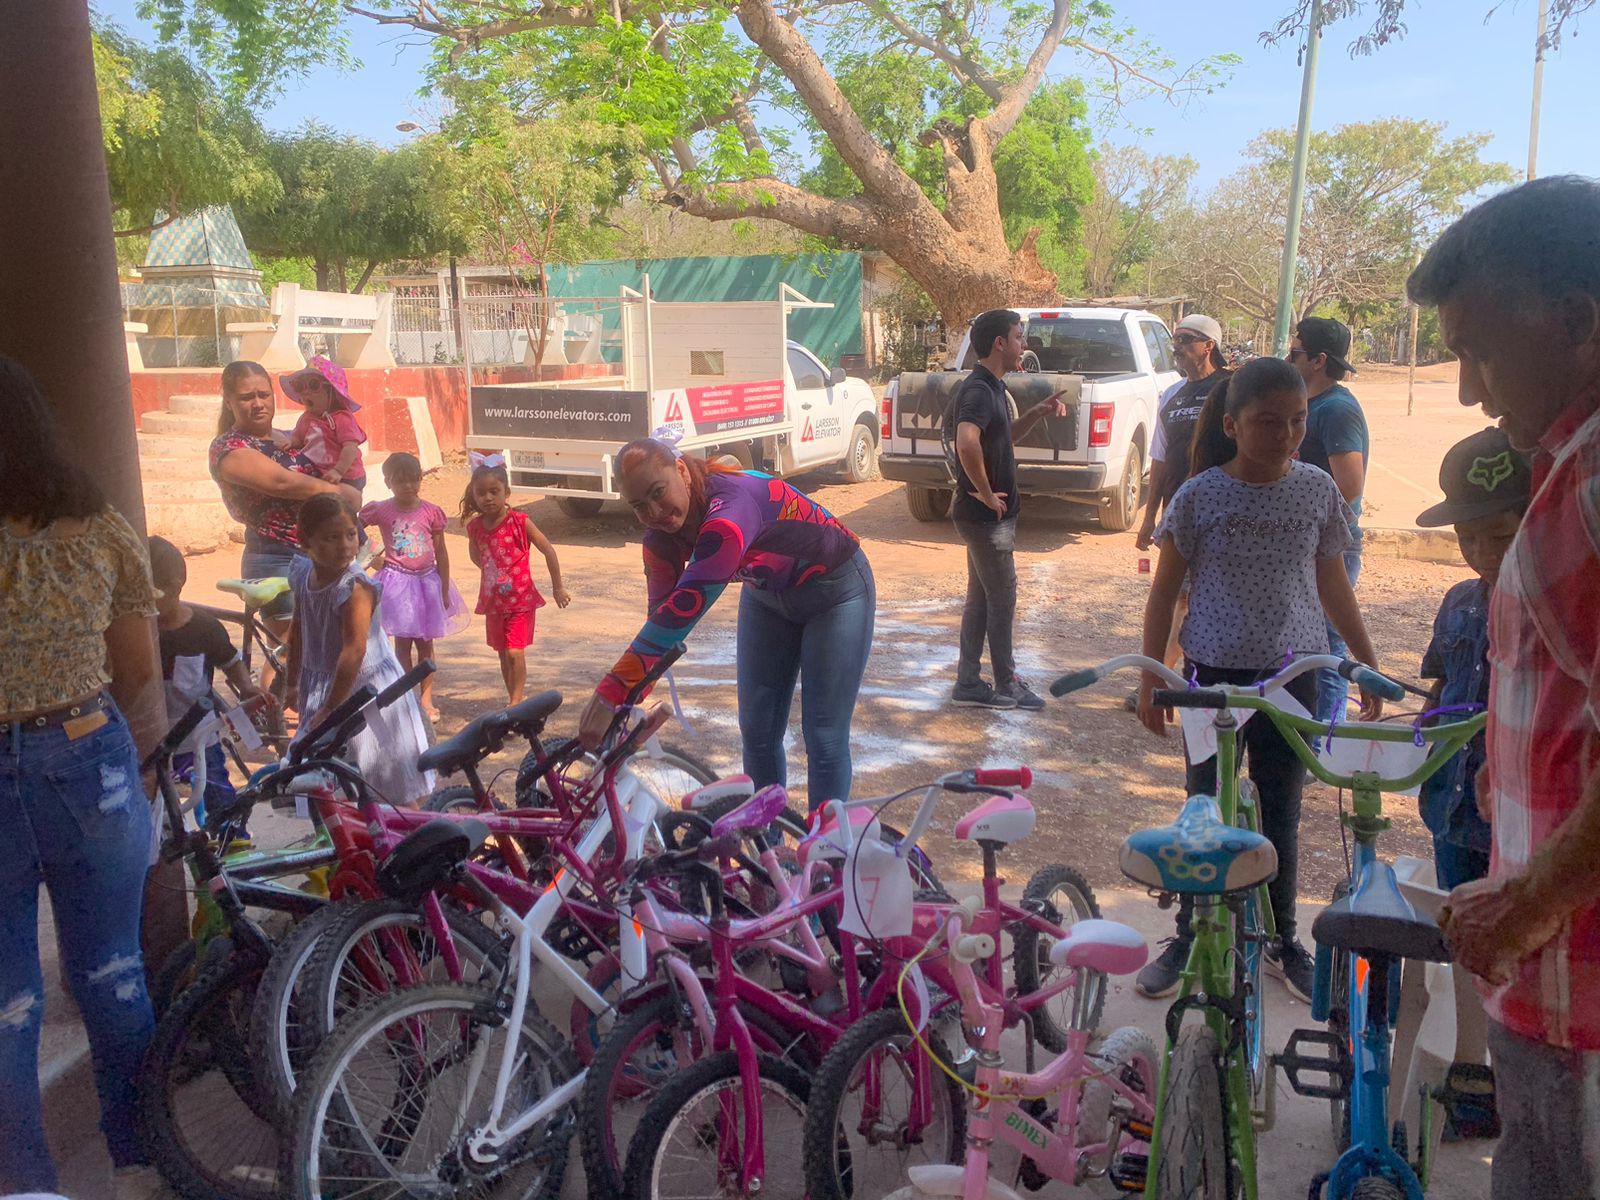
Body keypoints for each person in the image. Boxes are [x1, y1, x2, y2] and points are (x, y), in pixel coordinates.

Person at [1413, 176, 1600, 1200]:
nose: (1470, 392)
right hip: (1555, 982)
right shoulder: (1567, 467)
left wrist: (1525, 904)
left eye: (1479, 351)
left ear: (1574, 321)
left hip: (1580, 993)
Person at [1134, 356, 1387, 1002]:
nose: (1287, 436)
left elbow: (1333, 582)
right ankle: (1192, 933)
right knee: (1204, 809)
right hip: (1211, 678)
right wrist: (1151, 677)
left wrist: (1365, 661)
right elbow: (1163, 595)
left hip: (1292, 675)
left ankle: (1284, 940)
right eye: (1268, 422)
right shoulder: (1199, 496)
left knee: (1282, 810)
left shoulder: (1316, 491)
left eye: (1298, 421)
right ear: (1232, 424)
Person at [0, 357, 162, 1195]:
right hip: (88, 754)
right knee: (113, 975)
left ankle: (26, 1186)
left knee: (7, 1006)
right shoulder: (99, 526)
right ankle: (142, 1166)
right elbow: (138, 670)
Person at [575, 434, 873, 809]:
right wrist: (626, 708)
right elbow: (660, 627)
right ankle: (767, 850)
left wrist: (610, 693)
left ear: (681, 470)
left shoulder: (730, 511)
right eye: (639, 505)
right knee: (758, 733)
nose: (654, 512)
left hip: (836, 591)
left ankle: (826, 858)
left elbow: (682, 612)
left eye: (657, 492)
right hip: (767, 598)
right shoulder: (660, 539)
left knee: (824, 736)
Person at [1414, 430, 1530, 891]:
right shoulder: (1458, 601)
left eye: (1502, 536)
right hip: (1450, 808)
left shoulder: (1553, 616)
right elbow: (1440, 687)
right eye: (1468, 538)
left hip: (1515, 818)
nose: (1484, 554)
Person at [948, 309, 1069, 711]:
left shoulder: (994, 387)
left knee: (981, 599)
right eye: (1019, 337)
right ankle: (1005, 685)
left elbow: (1000, 439)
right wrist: (984, 492)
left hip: (983, 517)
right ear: (1000, 343)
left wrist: (1037, 412)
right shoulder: (980, 390)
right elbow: (967, 442)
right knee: (1002, 598)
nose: (1024, 345)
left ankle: (968, 682)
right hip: (984, 518)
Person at [286, 494, 435, 805]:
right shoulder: (302, 576)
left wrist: (330, 710)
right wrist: (291, 681)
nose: (345, 545)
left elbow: (354, 651)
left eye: (351, 534)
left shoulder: (354, 588)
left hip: (365, 692)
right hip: (325, 686)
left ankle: (415, 841)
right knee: (331, 782)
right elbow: (298, 630)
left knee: (389, 781)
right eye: (331, 537)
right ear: (305, 541)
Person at [208, 359, 352, 645]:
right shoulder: (229, 447)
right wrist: (340, 494)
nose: (258, 403)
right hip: (276, 556)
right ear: (229, 402)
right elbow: (282, 483)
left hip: (322, 552)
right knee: (289, 653)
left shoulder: (289, 438)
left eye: (264, 394)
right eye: (247, 397)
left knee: (332, 646)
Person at [148, 535, 273, 840]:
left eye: (149, 594)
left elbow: (230, 661)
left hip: (198, 739)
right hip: (150, 739)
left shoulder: (203, 628)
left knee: (217, 793)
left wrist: (246, 687)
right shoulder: (137, 630)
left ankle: (234, 847)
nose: (143, 604)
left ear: (175, 586)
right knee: (152, 808)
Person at [1286, 317, 1369, 727]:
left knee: (1328, 647)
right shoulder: (1310, 404)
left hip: (1331, 544)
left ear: (1319, 360)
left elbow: (1350, 486)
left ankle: (1324, 742)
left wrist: (1312, 531)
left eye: (1295, 351)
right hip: (1309, 543)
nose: (1289, 357)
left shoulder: (1336, 409)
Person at [358, 454, 469, 720]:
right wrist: (371, 557)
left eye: (413, 480)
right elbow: (354, 526)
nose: (408, 486)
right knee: (402, 644)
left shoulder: (431, 512)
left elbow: (441, 552)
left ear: (420, 479)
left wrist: (443, 587)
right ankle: (405, 697)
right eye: (400, 481)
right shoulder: (381, 510)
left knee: (426, 645)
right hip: (397, 584)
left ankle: (426, 700)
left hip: (427, 584)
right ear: (388, 482)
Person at [461, 454, 570, 704]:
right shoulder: (475, 527)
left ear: (506, 492)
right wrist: (494, 575)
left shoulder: (519, 522)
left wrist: (558, 588)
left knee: (513, 652)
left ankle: (516, 702)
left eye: (494, 491)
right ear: (474, 495)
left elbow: (548, 549)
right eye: (481, 493)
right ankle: (513, 697)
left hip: (520, 601)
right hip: (493, 604)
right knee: (502, 655)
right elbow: (477, 556)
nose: (488, 498)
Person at [1136, 313, 1230, 553]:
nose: (1176, 347)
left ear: (1209, 345)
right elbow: (1160, 458)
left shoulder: (1232, 387)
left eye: (1185, 339)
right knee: (1176, 588)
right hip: (1177, 509)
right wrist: (1149, 519)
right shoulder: (1170, 395)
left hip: (1222, 510)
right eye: (1175, 340)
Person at [282, 356, 368, 493]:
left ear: (332, 392)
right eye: (299, 386)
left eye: (313, 385)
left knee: (342, 508)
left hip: (346, 475)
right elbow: (299, 439)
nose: (305, 392)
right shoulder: (306, 419)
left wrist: (338, 471)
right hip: (321, 473)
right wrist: (291, 442)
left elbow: (350, 448)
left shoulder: (342, 418)